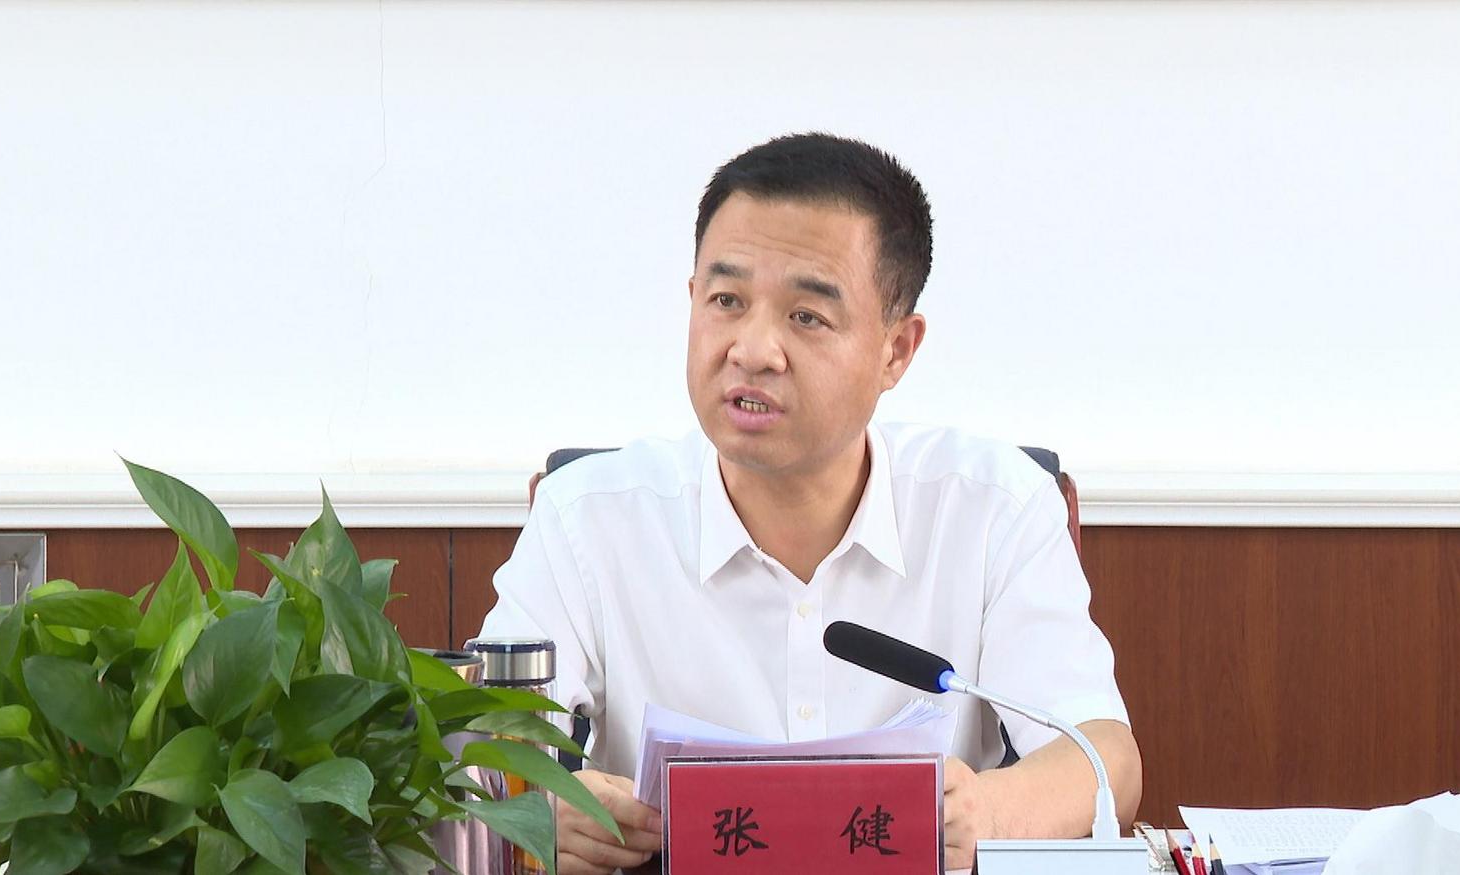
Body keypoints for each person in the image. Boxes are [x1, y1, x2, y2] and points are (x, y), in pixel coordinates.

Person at [479, 132, 1142, 874]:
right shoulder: (586, 519)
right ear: (692, 300)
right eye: (727, 301)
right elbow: (478, 754)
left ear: (896, 349)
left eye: (807, 316)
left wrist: (985, 813)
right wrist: (539, 812)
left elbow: (1103, 759)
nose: (753, 350)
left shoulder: (994, 508)